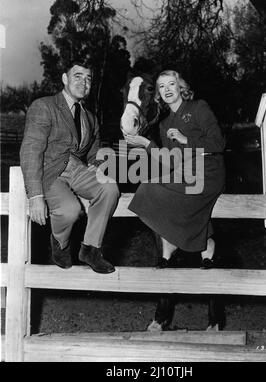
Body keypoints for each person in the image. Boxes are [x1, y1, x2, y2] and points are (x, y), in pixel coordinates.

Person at [20, 61, 119, 273]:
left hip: (78, 170)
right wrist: (35, 196)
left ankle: (91, 248)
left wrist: (97, 166)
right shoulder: (44, 106)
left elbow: (95, 152)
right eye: (78, 76)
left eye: (88, 78)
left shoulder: (91, 118)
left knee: (110, 188)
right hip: (50, 173)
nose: (83, 82)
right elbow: (31, 150)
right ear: (65, 79)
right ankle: (60, 243)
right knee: (69, 210)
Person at [124, 69, 226, 268]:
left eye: (171, 84)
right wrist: (146, 143)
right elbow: (171, 162)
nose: (167, 89)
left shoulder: (198, 107)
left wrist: (185, 139)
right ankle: (179, 240)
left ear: (181, 86)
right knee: (148, 188)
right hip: (184, 172)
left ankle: (200, 242)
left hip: (209, 170)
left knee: (177, 190)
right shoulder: (164, 124)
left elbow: (218, 142)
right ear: (158, 94)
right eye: (161, 86)